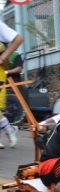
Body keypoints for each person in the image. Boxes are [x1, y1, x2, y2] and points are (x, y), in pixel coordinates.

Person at [0, 21, 23, 149]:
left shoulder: (9, 50)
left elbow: (18, 39)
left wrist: (3, 57)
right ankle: (9, 129)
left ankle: (10, 129)